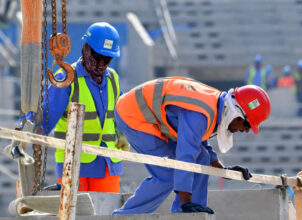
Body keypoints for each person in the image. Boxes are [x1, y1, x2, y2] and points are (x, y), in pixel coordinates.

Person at [112, 77, 271, 215]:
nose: (245, 130)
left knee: (203, 158)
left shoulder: (214, 105)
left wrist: (223, 170)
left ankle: (190, 214)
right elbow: (186, 154)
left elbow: (199, 143)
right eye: (247, 124)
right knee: (167, 176)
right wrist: (185, 200)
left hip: (148, 115)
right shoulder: (201, 114)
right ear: (236, 113)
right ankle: (124, 216)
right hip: (133, 116)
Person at [42, 22, 128, 193]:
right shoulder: (67, 78)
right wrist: (26, 135)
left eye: (107, 59)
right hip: (73, 164)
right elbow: (46, 116)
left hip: (108, 164)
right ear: (86, 49)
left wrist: (123, 134)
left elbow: (120, 113)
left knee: (107, 213)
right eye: (97, 56)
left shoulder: (113, 79)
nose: (102, 63)